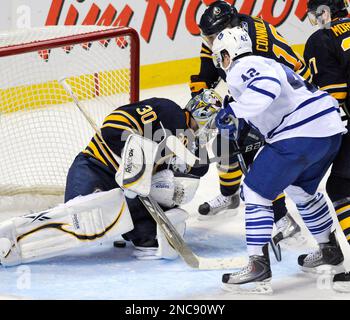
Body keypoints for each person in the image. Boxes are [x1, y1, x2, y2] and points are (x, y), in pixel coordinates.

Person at [0, 95, 223, 266]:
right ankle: (16, 235)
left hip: (128, 189)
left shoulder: (187, 142)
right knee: (77, 215)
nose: (209, 129)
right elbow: (114, 125)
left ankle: (127, 224)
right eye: (210, 122)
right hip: (96, 166)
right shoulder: (171, 112)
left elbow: (198, 168)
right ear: (202, 114)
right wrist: (131, 148)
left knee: (149, 236)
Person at [212, 26, 347, 293]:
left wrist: (234, 111)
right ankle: (329, 249)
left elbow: (266, 88)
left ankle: (257, 266)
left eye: (221, 56)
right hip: (328, 130)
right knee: (300, 189)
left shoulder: (243, 66)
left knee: (254, 190)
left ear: (228, 54)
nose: (221, 63)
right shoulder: (266, 61)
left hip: (300, 133)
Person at [191, 1, 310, 245]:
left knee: (257, 158)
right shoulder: (223, 37)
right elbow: (207, 71)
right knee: (225, 146)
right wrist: (200, 96)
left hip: (288, 102)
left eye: (214, 37)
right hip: (258, 96)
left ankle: (282, 218)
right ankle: (229, 196)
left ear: (229, 28)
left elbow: (286, 78)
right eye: (208, 37)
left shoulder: (257, 42)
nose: (210, 42)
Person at [303, 0, 350, 290]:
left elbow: (334, 94)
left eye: (314, 15)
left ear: (325, 12)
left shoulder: (322, 38)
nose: (313, 21)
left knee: (341, 187)